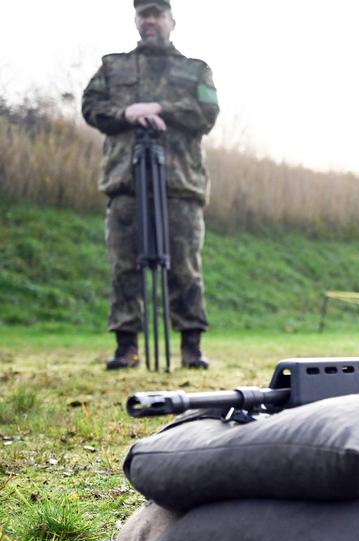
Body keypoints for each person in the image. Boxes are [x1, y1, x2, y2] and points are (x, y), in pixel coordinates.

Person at [82, 0, 219, 370]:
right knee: (124, 266)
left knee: (185, 267)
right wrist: (126, 113)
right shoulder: (113, 66)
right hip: (125, 180)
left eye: (157, 14)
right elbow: (91, 106)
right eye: (144, 14)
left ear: (172, 21)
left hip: (180, 184)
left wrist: (159, 108)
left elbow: (208, 113)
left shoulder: (196, 69)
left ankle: (191, 347)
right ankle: (126, 347)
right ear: (136, 20)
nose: (150, 20)